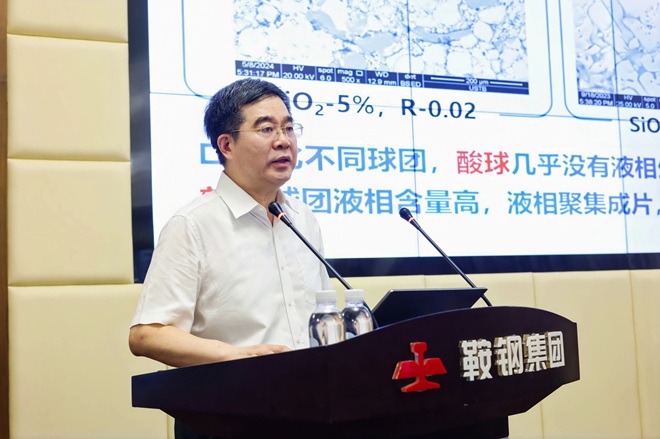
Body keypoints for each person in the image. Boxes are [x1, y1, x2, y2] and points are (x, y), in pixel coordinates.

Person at [129, 78, 333, 438]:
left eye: (289, 128)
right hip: (227, 415)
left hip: (308, 409)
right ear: (227, 145)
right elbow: (147, 336)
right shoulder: (193, 224)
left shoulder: (303, 219)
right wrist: (235, 356)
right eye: (266, 129)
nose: (283, 140)